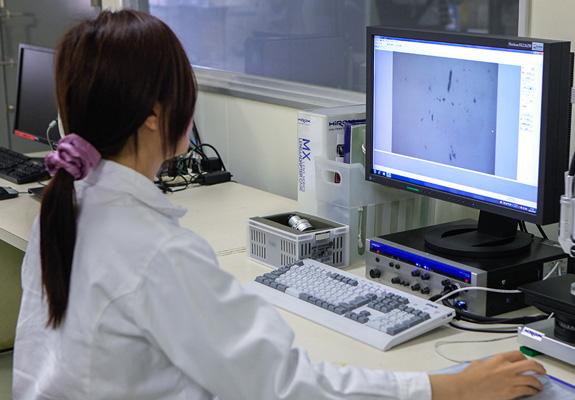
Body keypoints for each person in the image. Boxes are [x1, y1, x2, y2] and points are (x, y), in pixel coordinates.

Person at [12, 9, 546, 400]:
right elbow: (284, 385)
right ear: (155, 113)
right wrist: (449, 388)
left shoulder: (68, 203)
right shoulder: (156, 253)